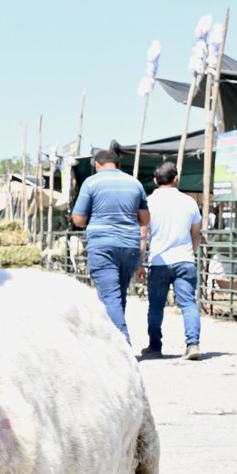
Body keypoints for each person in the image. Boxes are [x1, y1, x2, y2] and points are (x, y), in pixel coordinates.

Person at [70, 147, 149, 343]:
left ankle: (123, 345)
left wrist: (95, 219)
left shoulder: (91, 183)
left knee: (110, 298)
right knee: (118, 296)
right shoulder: (135, 183)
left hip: (103, 245)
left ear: (97, 164)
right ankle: (115, 342)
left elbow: (78, 219)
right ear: (117, 164)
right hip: (130, 245)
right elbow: (144, 219)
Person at [140, 161, 201, 360]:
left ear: (156, 180)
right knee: (188, 304)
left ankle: (155, 346)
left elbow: (143, 234)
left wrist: (140, 261)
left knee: (156, 307)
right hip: (184, 259)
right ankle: (192, 344)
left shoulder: (148, 202)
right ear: (176, 178)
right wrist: (190, 253)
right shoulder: (189, 202)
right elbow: (196, 233)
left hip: (158, 261)